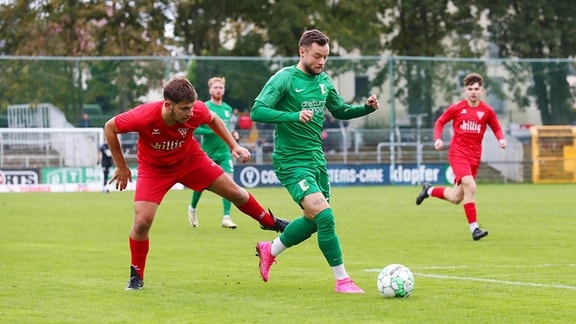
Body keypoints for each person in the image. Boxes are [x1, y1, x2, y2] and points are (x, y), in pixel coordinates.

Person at [103, 76, 290, 290]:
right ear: (168, 106)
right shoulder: (144, 116)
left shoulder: (196, 110)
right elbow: (110, 127)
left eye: (192, 107)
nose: (190, 113)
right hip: (154, 170)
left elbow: (213, 119)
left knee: (236, 193)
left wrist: (233, 146)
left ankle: (268, 222)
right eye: (184, 109)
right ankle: (136, 275)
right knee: (142, 222)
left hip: (190, 160)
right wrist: (121, 166)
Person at [250, 29, 380, 294]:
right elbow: (257, 110)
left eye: (326, 57)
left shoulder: (324, 81)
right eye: (317, 56)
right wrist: (293, 115)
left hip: (316, 161)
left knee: (313, 221)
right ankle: (343, 280)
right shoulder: (284, 78)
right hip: (291, 161)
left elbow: (340, 110)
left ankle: (269, 249)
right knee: (326, 217)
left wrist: (366, 107)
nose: (322, 62)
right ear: (303, 52)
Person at [415, 72, 506, 241]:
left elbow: (496, 127)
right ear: (465, 90)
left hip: (474, 158)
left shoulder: (487, 111)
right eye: (470, 89)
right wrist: (437, 139)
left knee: (456, 198)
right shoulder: (457, 108)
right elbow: (440, 122)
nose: (473, 92)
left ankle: (429, 190)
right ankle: (475, 229)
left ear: (482, 90)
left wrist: (501, 139)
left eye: (476, 89)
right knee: (471, 187)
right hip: (458, 154)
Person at [187, 77, 239, 229]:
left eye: (221, 88)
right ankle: (193, 208)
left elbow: (226, 128)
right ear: (210, 90)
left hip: (224, 153)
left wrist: (232, 134)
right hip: (207, 153)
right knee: (201, 185)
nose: (218, 90)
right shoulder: (204, 107)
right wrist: (211, 130)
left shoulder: (228, 109)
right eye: (215, 87)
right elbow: (196, 127)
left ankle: (226, 217)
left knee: (230, 184)